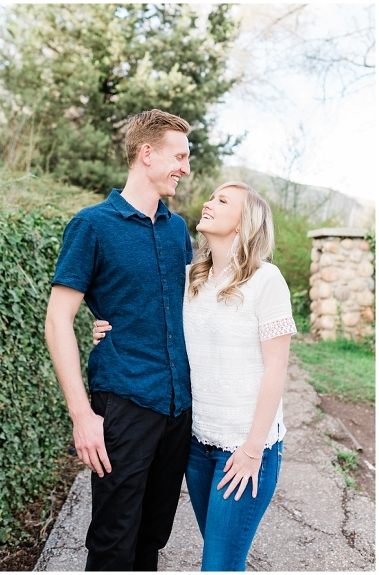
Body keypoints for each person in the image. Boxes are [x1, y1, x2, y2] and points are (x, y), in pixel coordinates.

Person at [93, 181, 295, 571]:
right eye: (212, 196)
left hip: (246, 449)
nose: (208, 202)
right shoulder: (190, 279)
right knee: (223, 557)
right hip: (198, 445)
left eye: (222, 200)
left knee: (218, 564)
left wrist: (253, 449)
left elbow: (277, 367)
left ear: (244, 223)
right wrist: (101, 324)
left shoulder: (266, 280)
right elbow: (140, 312)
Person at [44, 109, 194, 571]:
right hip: (125, 402)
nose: (186, 169)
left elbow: (183, 308)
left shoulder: (179, 230)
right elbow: (57, 319)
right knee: (113, 542)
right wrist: (82, 415)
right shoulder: (92, 225)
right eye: (180, 156)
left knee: (152, 537)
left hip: (178, 406)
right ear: (146, 154)